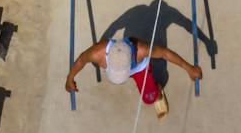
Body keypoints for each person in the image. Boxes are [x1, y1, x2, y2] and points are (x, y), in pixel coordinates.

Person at [65, 28, 202, 120]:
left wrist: (189, 68)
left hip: (139, 69)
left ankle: (157, 90)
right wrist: (69, 78)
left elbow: (165, 53)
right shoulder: (96, 53)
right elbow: (81, 60)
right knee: (148, 97)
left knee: (150, 98)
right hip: (126, 61)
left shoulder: (142, 50)